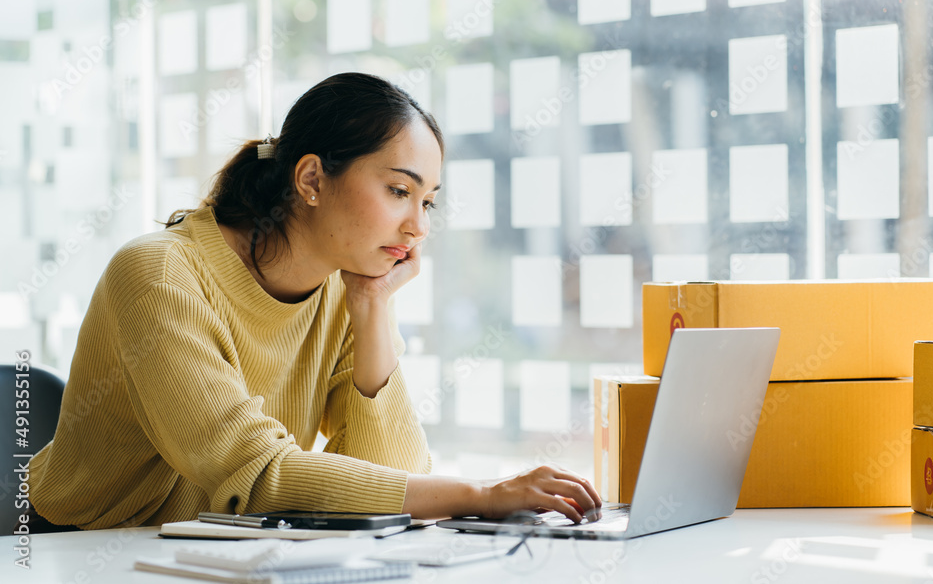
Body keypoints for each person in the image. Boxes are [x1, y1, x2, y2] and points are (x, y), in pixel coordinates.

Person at [27, 72, 601, 532]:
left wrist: (373, 307)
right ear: (311, 180)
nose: (417, 226)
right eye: (399, 191)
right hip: (78, 553)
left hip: (215, 553)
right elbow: (255, 477)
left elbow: (392, 477)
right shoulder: (158, 275)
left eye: (428, 202)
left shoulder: (342, 286)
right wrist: (480, 496)